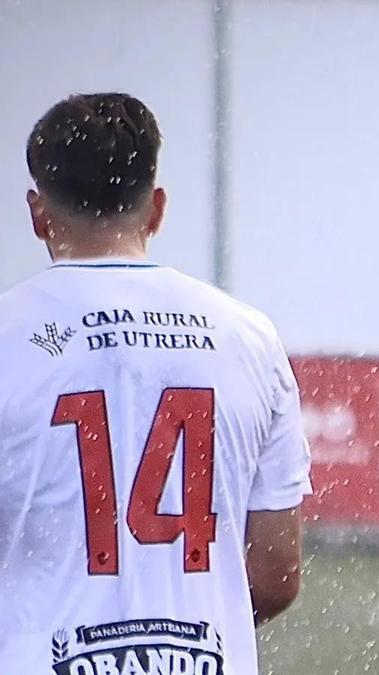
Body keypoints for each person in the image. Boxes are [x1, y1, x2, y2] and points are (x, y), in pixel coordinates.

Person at [0, 93, 311, 674]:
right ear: (157, 208)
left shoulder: (9, 334)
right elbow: (275, 576)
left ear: (38, 213)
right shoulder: (248, 337)